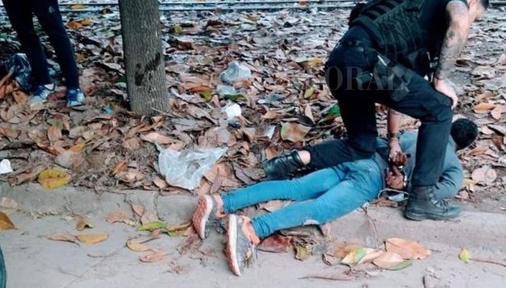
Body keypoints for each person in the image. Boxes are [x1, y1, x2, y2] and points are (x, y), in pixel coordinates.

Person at [263, 0, 489, 221]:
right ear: (473, 2)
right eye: (476, 18)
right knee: (441, 110)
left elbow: (400, 94)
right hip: (367, 63)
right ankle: (422, 199)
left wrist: (393, 139)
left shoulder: (414, 14)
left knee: (362, 145)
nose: (471, 24)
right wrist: (441, 78)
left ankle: (293, 160)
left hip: (340, 63)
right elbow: (460, 19)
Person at [191, 118, 478, 277]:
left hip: (360, 159)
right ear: (465, 147)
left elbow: (390, 143)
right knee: (320, 209)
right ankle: (252, 229)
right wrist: (405, 184)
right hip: (370, 180)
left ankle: (222, 202)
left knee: (294, 188)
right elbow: (431, 193)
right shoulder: (454, 166)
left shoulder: (418, 134)